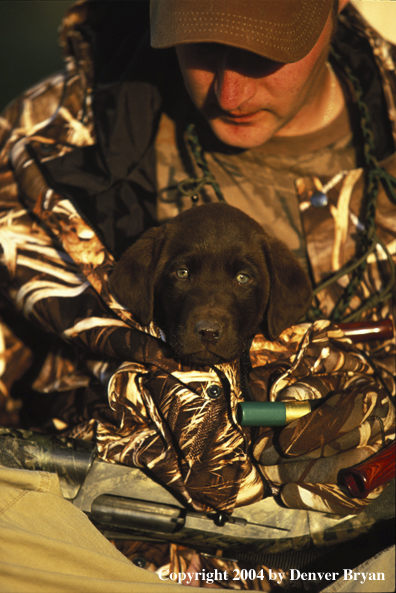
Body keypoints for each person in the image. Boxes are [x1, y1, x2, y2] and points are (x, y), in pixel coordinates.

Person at [0, 0, 395, 589]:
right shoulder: (48, 143)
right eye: (202, 48)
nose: (229, 94)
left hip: (349, 557)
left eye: (263, 54)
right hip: (102, 546)